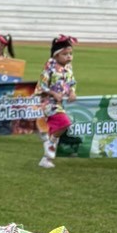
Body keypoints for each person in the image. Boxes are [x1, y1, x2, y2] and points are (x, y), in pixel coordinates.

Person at [36, 37, 77, 169]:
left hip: (62, 103)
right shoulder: (50, 67)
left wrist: (72, 92)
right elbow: (41, 86)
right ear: (56, 55)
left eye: (70, 53)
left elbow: (72, 82)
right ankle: (49, 141)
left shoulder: (68, 68)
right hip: (49, 103)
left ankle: (46, 157)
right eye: (65, 54)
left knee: (60, 128)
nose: (69, 56)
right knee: (64, 123)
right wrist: (53, 93)